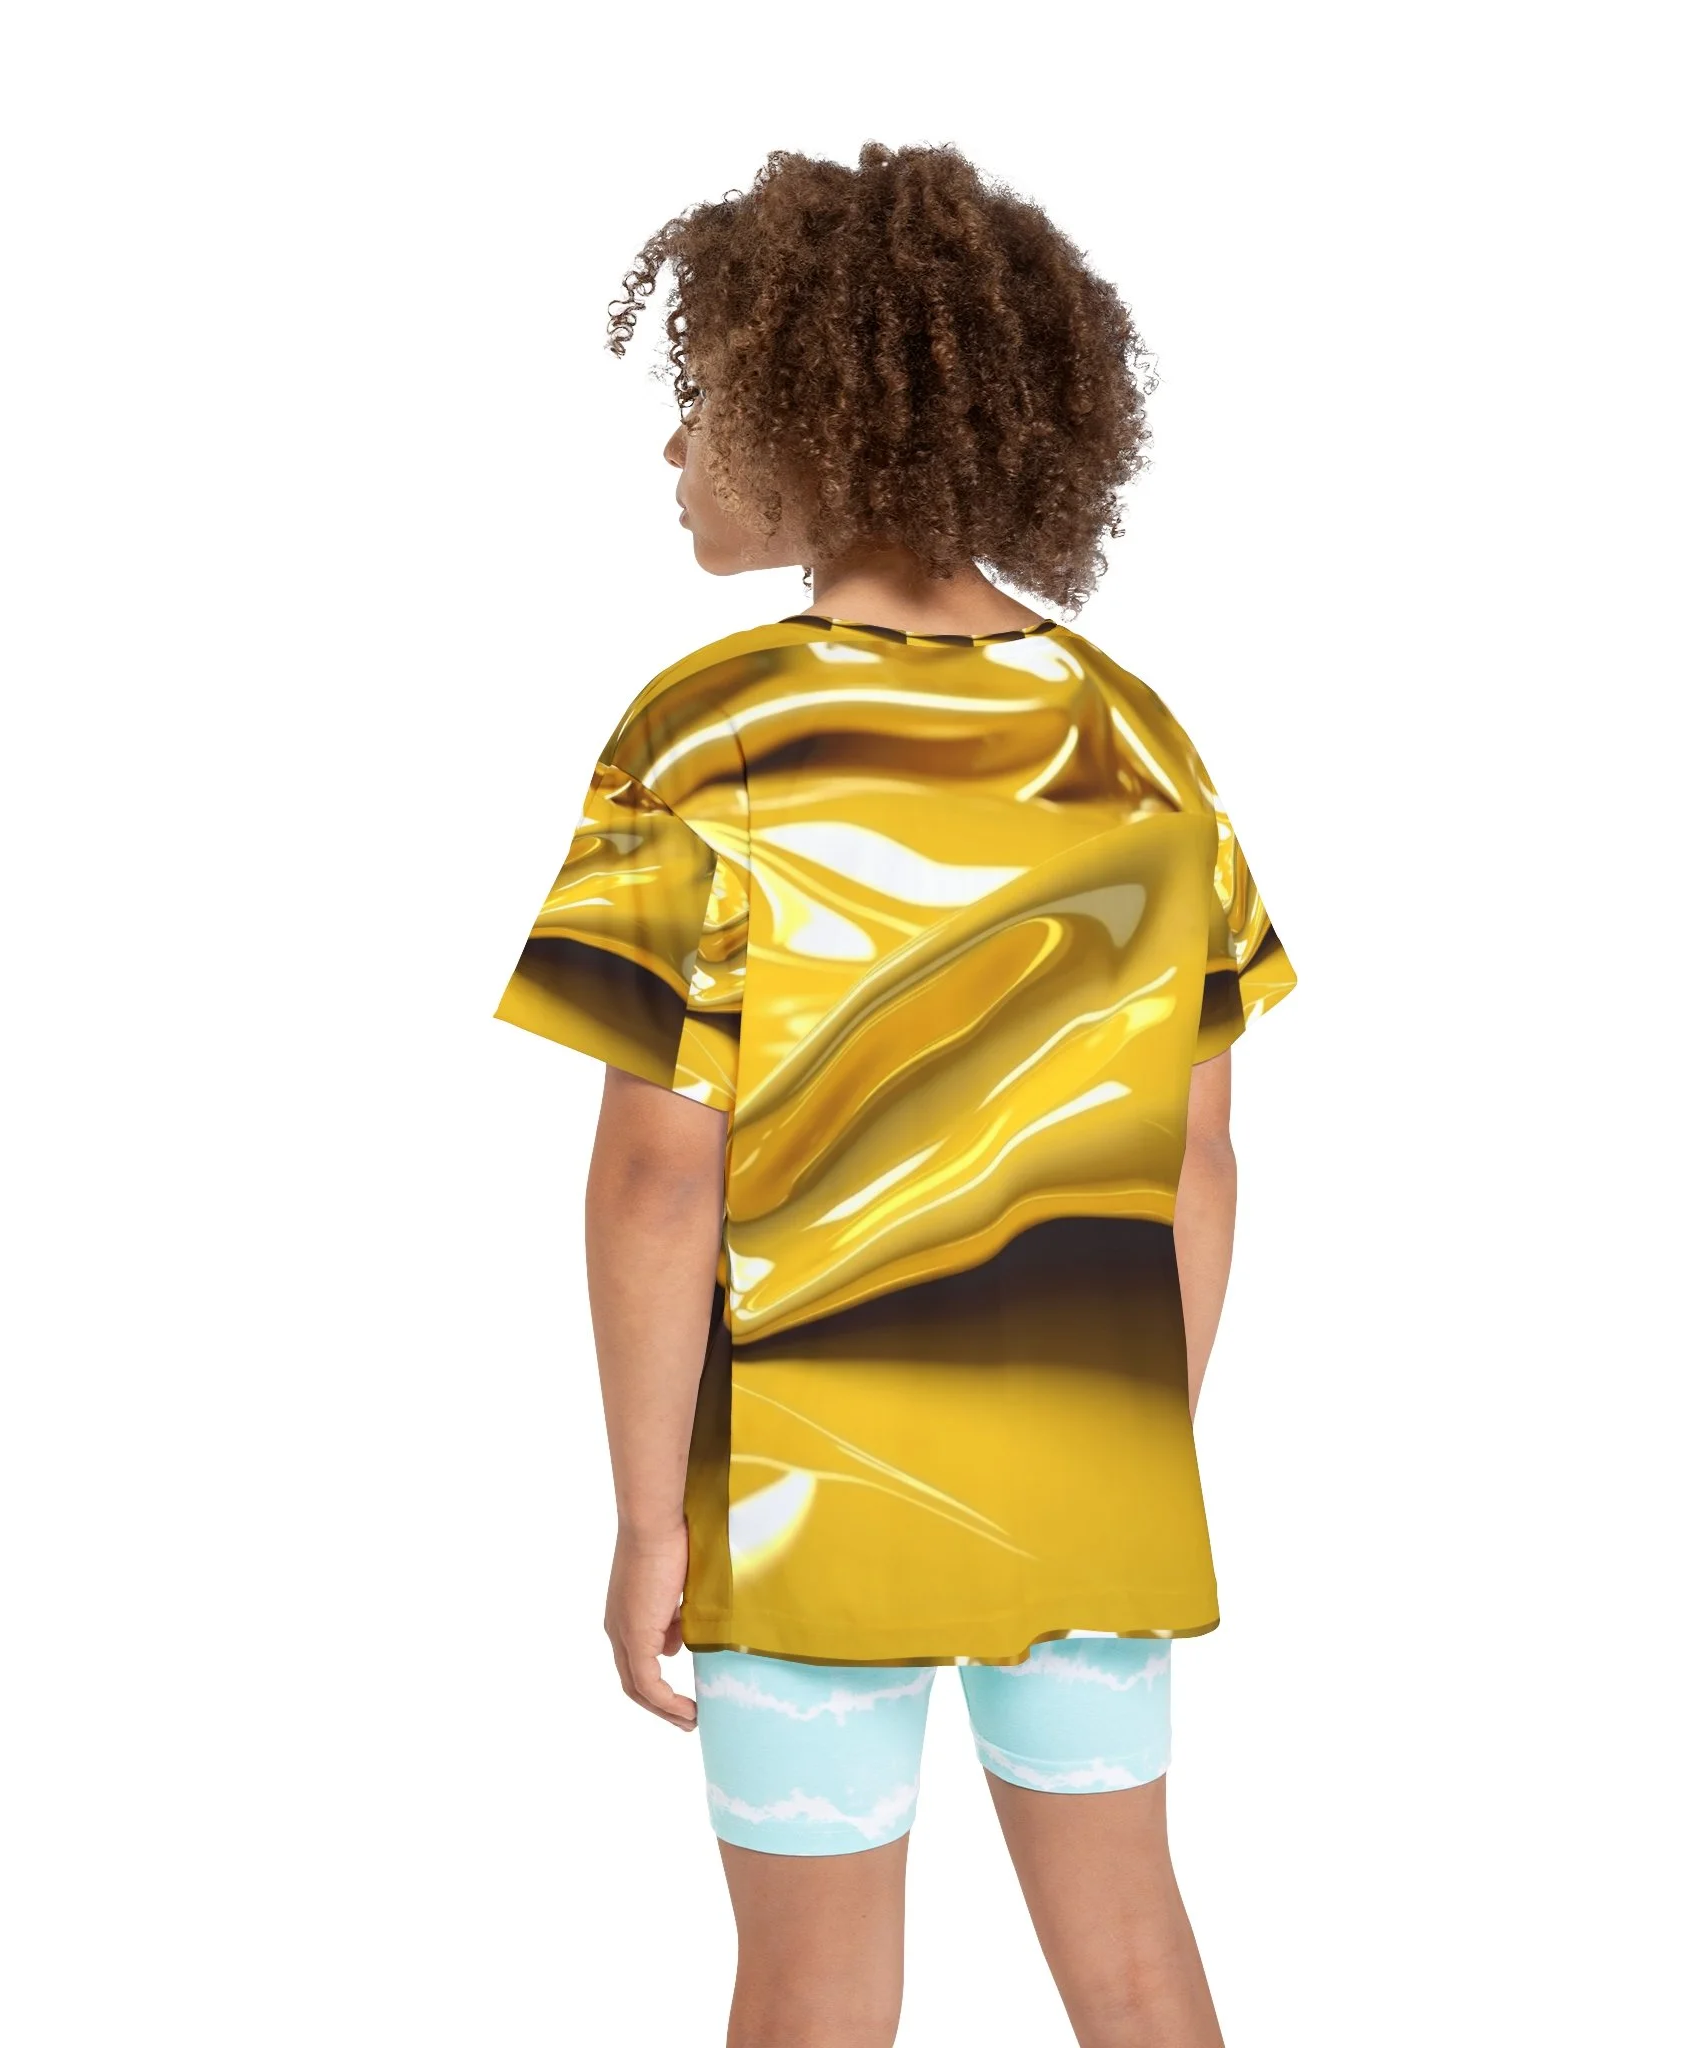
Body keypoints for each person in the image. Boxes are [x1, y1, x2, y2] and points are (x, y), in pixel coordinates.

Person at [495, 142, 1295, 2048]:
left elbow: (653, 1179)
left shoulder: (712, 735)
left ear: (812, 411)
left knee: (813, 1993)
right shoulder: (1135, 738)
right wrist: (1120, 1452)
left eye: (702, 394)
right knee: (1134, 1961)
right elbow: (1199, 1156)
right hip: (1092, 1481)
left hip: (804, 1494)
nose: (673, 446)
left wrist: (647, 1524)